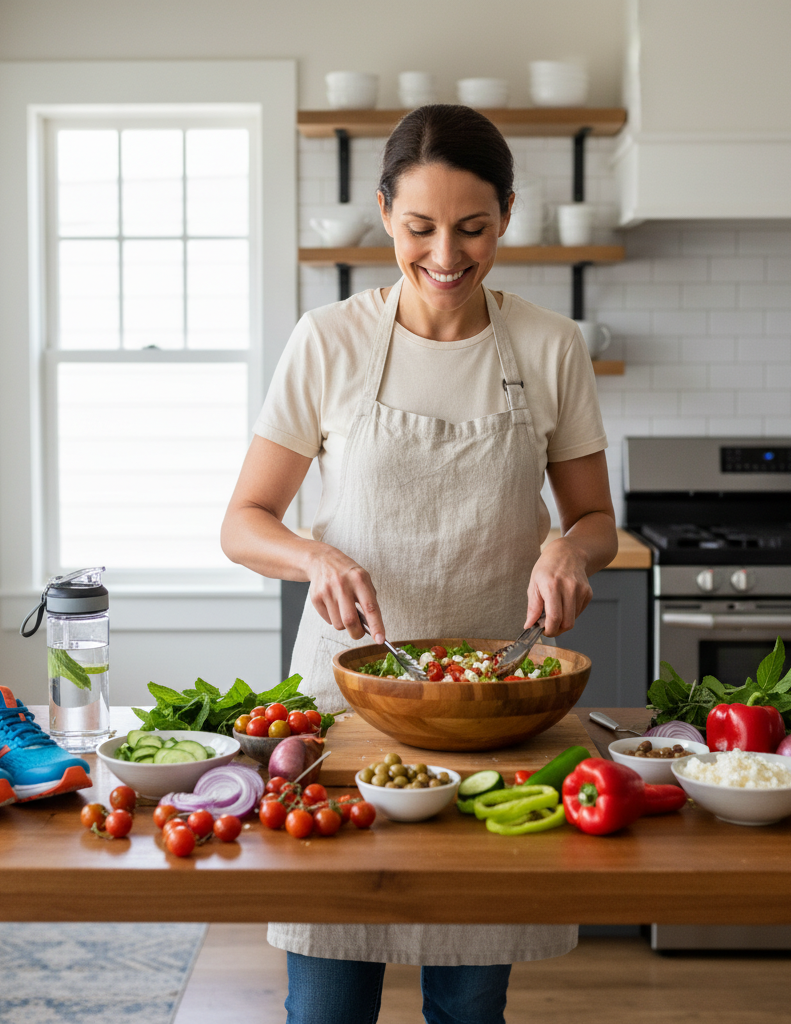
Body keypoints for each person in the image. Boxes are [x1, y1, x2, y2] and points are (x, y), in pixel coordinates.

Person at [221, 104, 618, 1024]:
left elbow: (595, 517)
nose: (447, 253)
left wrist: (570, 545)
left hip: (492, 711)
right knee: (325, 1003)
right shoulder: (328, 341)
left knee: (471, 1005)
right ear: (383, 213)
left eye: (473, 228)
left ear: (507, 215)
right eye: (420, 228)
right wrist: (311, 554)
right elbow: (244, 523)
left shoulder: (552, 348)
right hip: (340, 713)